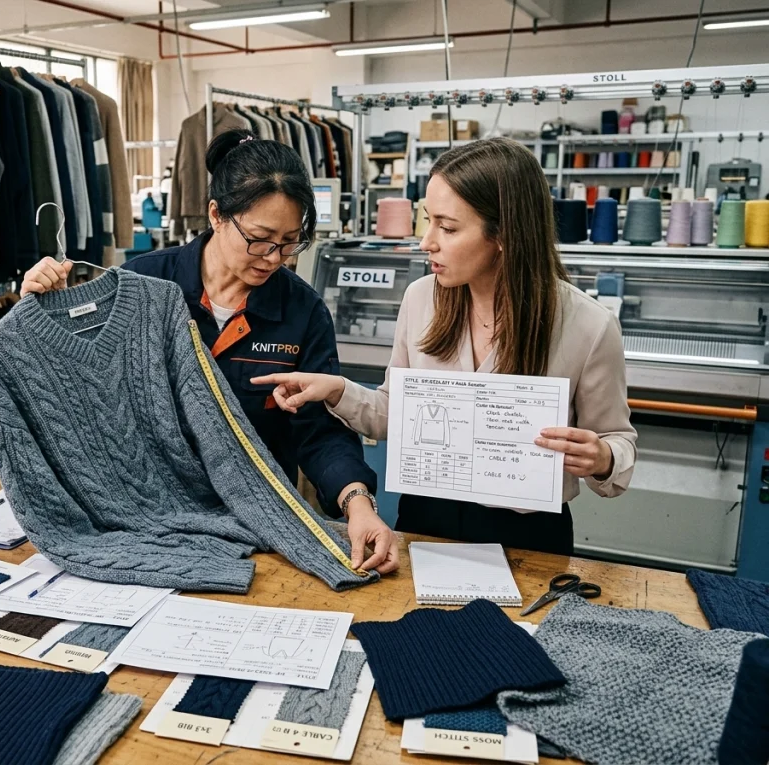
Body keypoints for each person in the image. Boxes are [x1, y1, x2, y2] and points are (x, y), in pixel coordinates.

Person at [20, 129, 399, 574]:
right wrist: (51, 316)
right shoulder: (143, 288)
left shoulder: (302, 312)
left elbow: (319, 431)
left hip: (256, 526)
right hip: (148, 523)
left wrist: (357, 502)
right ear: (217, 215)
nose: (274, 257)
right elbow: (88, 399)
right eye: (259, 238)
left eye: (290, 241)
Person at [253, 137, 637, 555]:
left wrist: (602, 457)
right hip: (425, 521)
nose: (426, 241)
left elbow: (617, 440)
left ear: (505, 233)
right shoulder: (421, 299)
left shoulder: (588, 325)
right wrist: (337, 390)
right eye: (427, 220)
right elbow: (393, 414)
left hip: (529, 539)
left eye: (448, 227)